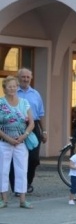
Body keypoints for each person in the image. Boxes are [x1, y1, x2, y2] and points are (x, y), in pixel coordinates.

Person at [0, 76, 36, 208]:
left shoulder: (24, 102)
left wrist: (23, 136)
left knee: (22, 170)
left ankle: (22, 200)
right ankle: (3, 199)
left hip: (21, 142)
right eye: (9, 86)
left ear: (17, 87)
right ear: (4, 88)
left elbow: (31, 123)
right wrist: (8, 139)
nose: (12, 89)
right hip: (4, 141)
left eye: (14, 86)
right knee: (3, 170)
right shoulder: (0, 103)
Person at [15, 68, 46, 194]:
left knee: (33, 158)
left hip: (34, 126)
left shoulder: (36, 94)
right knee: (17, 157)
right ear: (18, 78)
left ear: (31, 78)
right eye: (23, 77)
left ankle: (27, 182)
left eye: (28, 77)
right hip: (17, 126)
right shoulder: (14, 92)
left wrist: (44, 131)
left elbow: (41, 114)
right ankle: (18, 186)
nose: (25, 79)